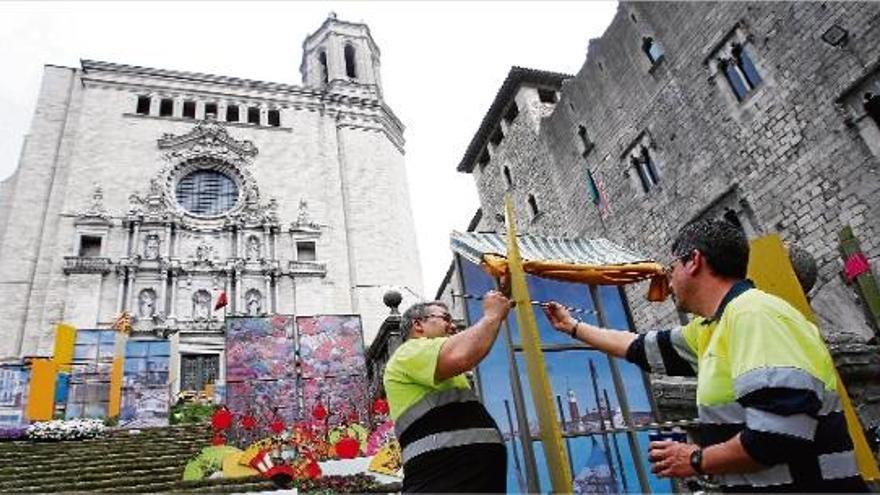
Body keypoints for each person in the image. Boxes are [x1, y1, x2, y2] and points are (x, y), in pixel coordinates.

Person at [543, 219, 867, 492]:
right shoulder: (713, 326)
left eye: (672, 268)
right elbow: (638, 346)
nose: (668, 280)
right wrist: (572, 327)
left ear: (693, 261)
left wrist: (695, 459)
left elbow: (777, 434)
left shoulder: (755, 316)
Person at [383, 293, 510, 493]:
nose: (453, 326)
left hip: (461, 477)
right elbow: (462, 355)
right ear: (418, 325)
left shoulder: (433, 363)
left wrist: (502, 295)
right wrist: (492, 316)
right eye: (446, 318)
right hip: (443, 477)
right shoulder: (410, 352)